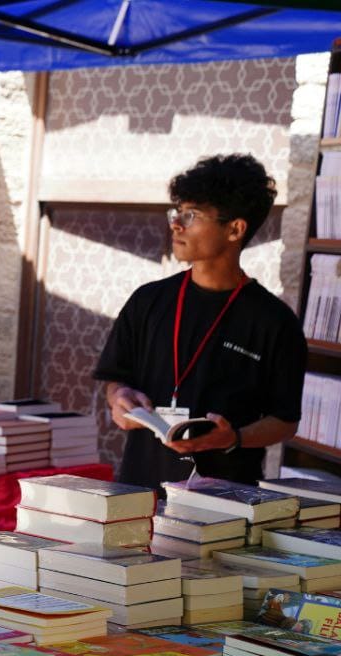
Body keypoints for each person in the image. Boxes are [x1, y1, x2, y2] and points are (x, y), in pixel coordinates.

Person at [93, 154, 306, 490]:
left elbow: (285, 421)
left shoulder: (274, 321)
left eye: (191, 216)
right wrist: (120, 397)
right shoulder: (147, 301)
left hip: (226, 501)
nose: (176, 224)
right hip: (137, 492)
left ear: (235, 228)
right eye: (177, 213)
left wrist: (231, 437)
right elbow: (115, 379)